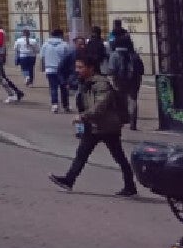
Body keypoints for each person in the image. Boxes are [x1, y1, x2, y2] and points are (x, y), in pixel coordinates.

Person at [49, 54, 137, 197]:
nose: (77, 70)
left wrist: (83, 116)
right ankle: (68, 180)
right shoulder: (85, 82)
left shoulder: (101, 84)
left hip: (107, 126)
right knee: (81, 154)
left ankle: (130, 186)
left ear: (91, 68)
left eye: (80, 67)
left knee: (119, 157)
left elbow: (100, 106)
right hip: (94, 125)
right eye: (76, 67)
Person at [105, 32, 144, 131]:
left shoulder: (114, 55)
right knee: (133, 100)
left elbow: (111, 70)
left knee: (120, 100)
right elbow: (141, 69)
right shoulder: (134, 54)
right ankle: (133, 123)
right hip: (134, 80)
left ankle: (121, 120)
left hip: (119, 80)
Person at [40, 28, 74, 113]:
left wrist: (44, 68)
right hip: (62, 70)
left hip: (50, 69)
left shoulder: (45, 44)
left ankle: (54, 105)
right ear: (61, 35)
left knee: (53, 87)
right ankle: (65, 106)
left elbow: (42, 57)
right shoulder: (64, 45)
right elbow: (68, 58)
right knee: (64, 88)